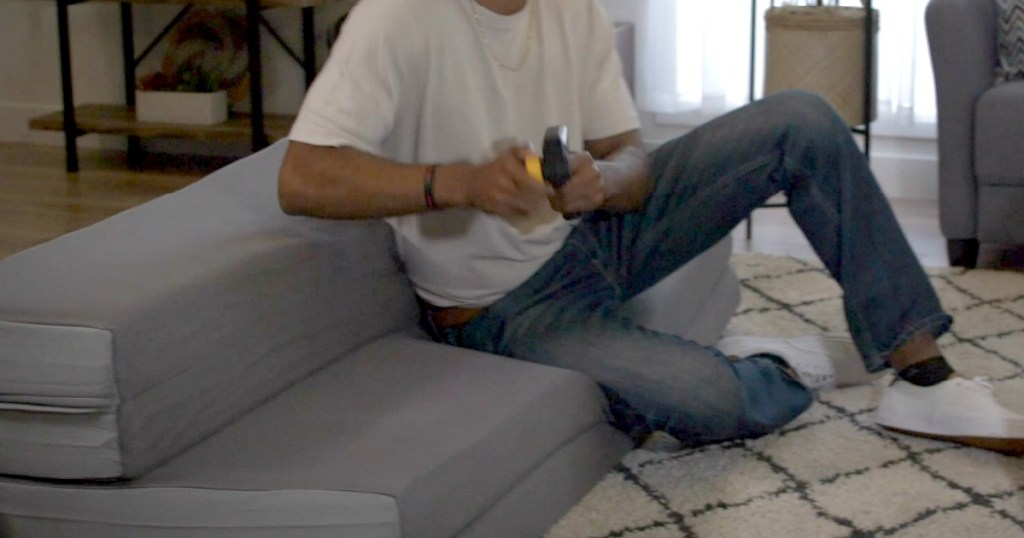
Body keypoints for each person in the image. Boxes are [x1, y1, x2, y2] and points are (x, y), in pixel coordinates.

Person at [278, 0, 1024, 454]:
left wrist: (608, 181)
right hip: (504, 309)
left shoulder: (572, 12)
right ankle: (777, 362)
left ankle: (922, 374)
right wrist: (458, 184)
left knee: (801, 118)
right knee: (715, 403)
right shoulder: (399, 18)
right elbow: (302, 176)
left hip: (592, 238)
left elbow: (627, 153)